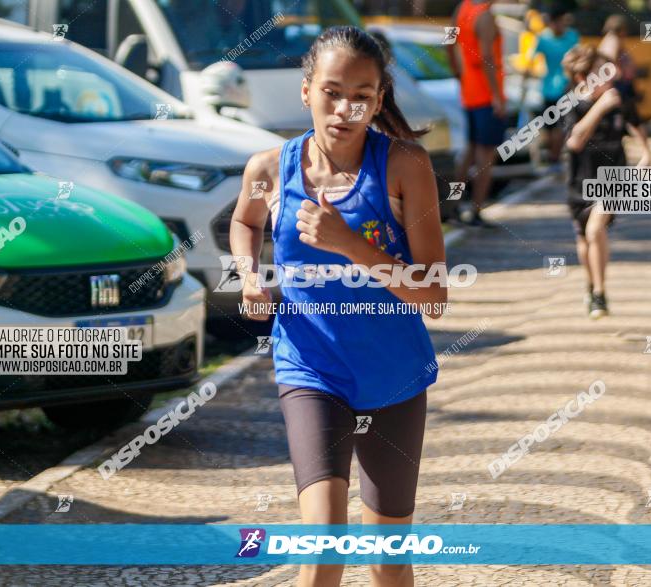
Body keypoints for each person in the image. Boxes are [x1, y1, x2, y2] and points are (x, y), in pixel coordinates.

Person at [229, 25, 447, 586]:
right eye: (331, 91)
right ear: (306, 91)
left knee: (389, 561)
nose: (344, 108)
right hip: (311, 369)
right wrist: (250, 276)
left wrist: (349, 244)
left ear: (378, 99)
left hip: (394, 375)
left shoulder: (405, 166)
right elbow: (245, 220)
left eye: (362, 95)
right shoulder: (269, 170)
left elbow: (433, 293)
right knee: (324, 547)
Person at [562, 45, 651, 319]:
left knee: (594, 230)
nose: (609, 78)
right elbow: (575, 142)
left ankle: (599, 293)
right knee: (583, 238)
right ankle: (591, 286)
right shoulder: (572, 104)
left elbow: (639, 132)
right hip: (579, 181)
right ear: (582, 78)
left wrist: (646, 156)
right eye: (601, 73)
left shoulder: (620, 101)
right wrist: (599, 109)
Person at [446, 0, 505, 227]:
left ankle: (453, 206)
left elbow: (448, 41)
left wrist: (458, 72)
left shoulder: (462, 8)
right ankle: (476, 211)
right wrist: (497, 96)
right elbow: (487, 57)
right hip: (486, 95)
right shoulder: (485, 15)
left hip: (470, 92)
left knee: (470, 150)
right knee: (485, 155)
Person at [529, 5, 579, 170]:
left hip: (566, 89)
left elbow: (579, 59)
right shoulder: (543, 39)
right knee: (551, 128)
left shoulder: (572, 36)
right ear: (550, 23)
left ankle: (555, 157)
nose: (559, 26)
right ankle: (553, 157)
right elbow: (529, 61)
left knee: (560, 125)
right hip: (548, 89)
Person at [598, 14, 638, 104]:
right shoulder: (613, 40)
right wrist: (619, 73)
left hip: (617, 80)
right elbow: (610, 59)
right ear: (620, 28)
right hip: (618, 82)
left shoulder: (610, 39)